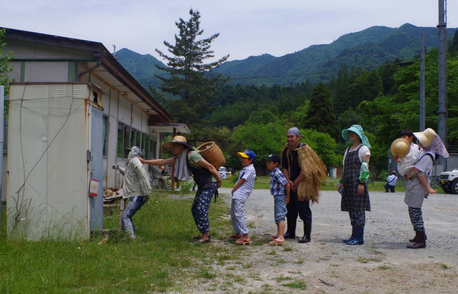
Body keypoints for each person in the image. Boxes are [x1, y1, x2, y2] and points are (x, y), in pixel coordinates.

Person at [139, 135, 221, 244]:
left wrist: (219, 180)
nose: (172, 148)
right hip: (203, 184)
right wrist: (144, 161)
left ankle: (205, 236)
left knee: (201, 208)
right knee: (194, 208)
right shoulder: (179, 158)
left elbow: (210, 166)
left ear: (181, 146)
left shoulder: (192, 155)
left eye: (174, 146)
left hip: (211, 182)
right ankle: (203, 233)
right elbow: (162, 162)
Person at [403, 128, 449, 249]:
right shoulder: (426, 153)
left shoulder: (427, 156)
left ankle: (421, 239)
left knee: (415, 212)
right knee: (414, 211)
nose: (419, 142)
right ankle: (419, 236)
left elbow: (419, 172)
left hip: (417, 186)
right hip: (417, 186)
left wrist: (426, 187)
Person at [337, 125, 371, 245]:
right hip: (349, 183)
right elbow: (345, 169)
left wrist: (362, 182)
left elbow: (365, 167)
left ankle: (359, 237)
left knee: (359, 211)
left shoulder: (364, 149)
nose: (351, 135)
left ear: (358, 135)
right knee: (351, 210)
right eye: (350, 133)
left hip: (358, 183)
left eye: (353, 133)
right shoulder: (348, 150)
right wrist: (341, 182)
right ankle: (353, 235)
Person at [281, 127, 314, 243]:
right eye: (288, 136)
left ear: (298, 137)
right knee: (290, 209)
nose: (289, 139)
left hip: (302, 184)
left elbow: (307, 170)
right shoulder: (286, 150)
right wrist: (288, 181)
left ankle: (307, 235)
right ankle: (290, 232)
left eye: (292, 137)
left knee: (303, 208)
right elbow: (284, 167)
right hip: (290, 183)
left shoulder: (303, 149)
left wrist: (296, 182)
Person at [112, 146, 151, 240]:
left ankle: (131, 237)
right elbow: (128, 174)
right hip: (135, 194)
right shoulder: (132, 163)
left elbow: (142, 172)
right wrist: (119, 168)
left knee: (126, 215)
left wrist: (147, 190)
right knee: (128, 214)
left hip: (138, 194)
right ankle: (132, 232)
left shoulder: (135, 160)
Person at [228, 149, 257, 245]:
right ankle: (238, 232)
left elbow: (242, 180)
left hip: (241, 194)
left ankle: (245, 235)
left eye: (245, 158)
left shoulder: (250, 169)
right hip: (237, 193)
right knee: (233, 213)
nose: (242, 159)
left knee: (239, 214)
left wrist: (234, 189)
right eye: (242, 157)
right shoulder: (245, 169)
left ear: (250, 160)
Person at [265, 154, 290, 246]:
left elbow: (287, 184)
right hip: (277, 197)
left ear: (276, 163)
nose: (267, 164)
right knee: (277, 216)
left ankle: (281, 237)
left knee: (280, 216)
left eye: (269, 162)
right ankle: (278, 234)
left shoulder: (277, 173)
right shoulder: (273, 172)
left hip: (280, 196)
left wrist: (287, 197)